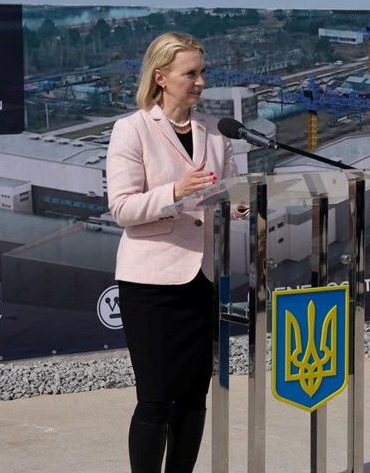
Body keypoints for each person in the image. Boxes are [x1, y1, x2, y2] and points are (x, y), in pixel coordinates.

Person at [106, 32, 245, 473]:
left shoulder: (215, 133)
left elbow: (229, 192)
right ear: (161, 77)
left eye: (203, 72)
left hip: (201, 281)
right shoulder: (132, 129)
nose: (201, 82)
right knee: (155, 398)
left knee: (192, 396)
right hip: (151, 287)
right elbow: (122, 208)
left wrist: (239, 204)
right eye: (191, 73)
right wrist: (174, 192)